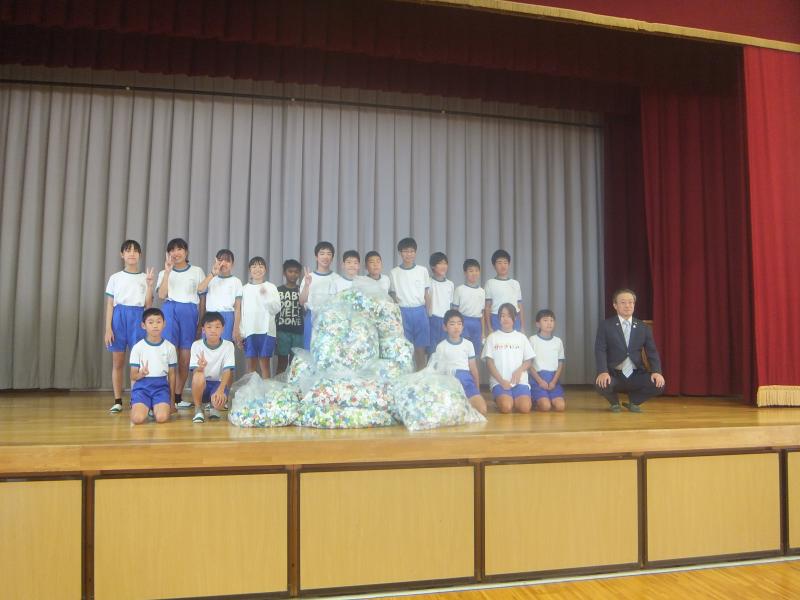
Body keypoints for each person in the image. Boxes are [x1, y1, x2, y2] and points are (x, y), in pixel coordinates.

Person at [104, 239, 155, 413]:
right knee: (118, 362)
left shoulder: (144, 277)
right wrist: (108, 328)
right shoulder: (115, 278)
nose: (131, 253)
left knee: (138, 363)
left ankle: (137, 398)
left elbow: (148, 305)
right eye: (128, 250)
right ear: (122, 254)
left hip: (138, 318)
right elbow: (110, 304)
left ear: (140, 254)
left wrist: (149, 285)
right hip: (119, 318)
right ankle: (118, 400)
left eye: (135, 250)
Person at [594, 288, 665, 412]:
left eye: (631, 302)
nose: (627, 305)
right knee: (601, 383)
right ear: (615, 305)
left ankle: (633, 402)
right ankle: (614, 403)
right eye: (623, 302)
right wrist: (603, 371)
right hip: (614, 373)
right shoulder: (606, 326)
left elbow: (652, 352)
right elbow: (600, 350)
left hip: (636, 374)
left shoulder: (643, 327)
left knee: (659, 385)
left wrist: (657, 371)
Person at [156, 238, 205, 409]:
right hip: (170, 310)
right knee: (170, 356)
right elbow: (161, 295)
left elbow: (202, 298)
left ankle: (177, 397)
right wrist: (167, 272)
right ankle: (167, 397)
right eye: (172, 250)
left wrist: (201, 322)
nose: (176, 253)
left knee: (185, 357)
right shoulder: (164, 273)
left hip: (189, 312)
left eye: (179, 249)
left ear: (186, 252)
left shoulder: (197, 271)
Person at [431, 309, 487, 415]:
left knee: (482, 409)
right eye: (452, 324)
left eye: (459, 324)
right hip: (449, 382)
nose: (456, 327)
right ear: (445, 327)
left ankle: (464, 402)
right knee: (448, 412)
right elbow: (438, 372)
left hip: (467, 381)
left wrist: (477, 390)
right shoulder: (441, 346)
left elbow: (473, 369)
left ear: (462, 327)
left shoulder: (468, 344)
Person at [483, 303, 535, 414]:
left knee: (525, 408)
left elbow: (529, 361)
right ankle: (503, 399)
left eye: (509, 316)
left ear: (515, 318)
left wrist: (519, 370)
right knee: (506, 407)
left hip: (520, 382)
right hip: (499, 382)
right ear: (498, 318)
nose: (505, 319)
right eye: (502, 316)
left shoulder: (521, 337)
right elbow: (489, 363)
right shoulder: (492, 337)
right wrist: (501, 381)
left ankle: (515, 399)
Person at [128, 308, 177, 425]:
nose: (155, 325)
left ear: (164, 324)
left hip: (161, 388)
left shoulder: (170, 347)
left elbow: (172, 375)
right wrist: (141, 374)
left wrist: (172, 400)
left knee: (162, 418)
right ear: (143, 325)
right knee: (137, 419)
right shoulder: (138, 347)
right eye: (151, 322)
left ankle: (155, 407)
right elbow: (133, 376)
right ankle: (141, 405)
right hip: (142, 388)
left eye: (158, 322)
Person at [389, 237, 431, 370]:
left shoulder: (422, 270)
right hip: (403, 312)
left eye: (412, 251)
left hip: (420, 312)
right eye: (405, 251)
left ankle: (421, 377)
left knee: (420, 350)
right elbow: (393, 296)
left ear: (416, 252)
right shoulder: (394, 272)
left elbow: (426, 294)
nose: (409, 254)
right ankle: (407, 378)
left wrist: (428, 314)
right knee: (405, 349)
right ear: (400, 253)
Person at [189, 312, 236, 423]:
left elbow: (227, 370)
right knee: (199, 376)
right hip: (203, 385)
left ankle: (213, 407)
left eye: (217, 327)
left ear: (223, 329)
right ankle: (198, 409)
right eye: (209, 327)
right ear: (203, 329)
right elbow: (195, 373)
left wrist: (221, 390)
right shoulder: (196, 345)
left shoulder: (228, 345)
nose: (213, 330)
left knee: (218, 402)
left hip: (217, 384)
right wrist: (200, 368)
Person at [240, 256, 282, 378]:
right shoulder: (244, 289)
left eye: (260, 266)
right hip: (249, 331)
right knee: (251, 366)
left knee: (265, 365)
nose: (257, 269)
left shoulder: (271, 287)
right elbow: (241, 312)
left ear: (265, 269)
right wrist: (241, 332)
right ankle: (250, 390)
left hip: (267, 331)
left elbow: (276, 309)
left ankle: (266, 389)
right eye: (254, 267)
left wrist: (265, 296)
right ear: (249, 270)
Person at [299, 241, 340, 349]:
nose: (325, 257)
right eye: (322, 253)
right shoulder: (308, 277)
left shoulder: (337, 278)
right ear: (316, 257)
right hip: (311, 317)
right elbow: (302, 301)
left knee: (329, 351)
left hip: (331, 319)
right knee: (310, 350)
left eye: (329, 254)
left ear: (332, 258)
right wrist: (307, 285)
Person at [197, 249, 242, 344]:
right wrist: (213, 274)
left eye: (227, 261)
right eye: (220, 260)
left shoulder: (236, 281)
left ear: (232, 264)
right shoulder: (211, 278)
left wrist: (236, 328)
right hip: (210, 316)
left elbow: (238, 308)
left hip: (227, 317)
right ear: (216, 261)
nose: (223, 263)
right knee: (208, 347)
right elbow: (200, 289)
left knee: (225, 346)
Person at [529, 309, 566, 412]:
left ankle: (551, 398)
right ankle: (535, 400)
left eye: (551, 320)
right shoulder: (532, 340)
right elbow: (529, 364)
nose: (549, 323)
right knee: (545, 406)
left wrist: (554, 382)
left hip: (553, 379)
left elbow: (560, 364)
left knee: (560, 407)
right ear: (538, 324)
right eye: (545, 320)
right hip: (537, 379)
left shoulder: (558, 341)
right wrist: (540, 381)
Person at [484, 249, 524, 334]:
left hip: (514, 318)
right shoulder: (490, 283)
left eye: (505, 263)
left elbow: (520, 306)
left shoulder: (515, 283)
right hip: (497, 318)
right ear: (494, 265)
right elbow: (487, 307)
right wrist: (489, 327)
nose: (503, 266)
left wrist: (522, 326)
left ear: (509, 264)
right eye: (499, 263)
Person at [452, 258, 485, 357]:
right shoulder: (459, 289)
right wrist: (455, 327)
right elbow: (454, 311)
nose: (474, 273)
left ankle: (475, 368)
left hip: (477, 324)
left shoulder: (482, 291)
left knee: (476, 353)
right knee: (462, 351)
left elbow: (482, 314)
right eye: (471, 271)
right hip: (463, 322)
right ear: (465, 273)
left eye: (476, 271)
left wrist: (483, 332)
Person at [276, 259, 304, 374]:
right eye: (290, 271)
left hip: (298, 331)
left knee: (295, 364)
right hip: (281, 331)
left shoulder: (302, 290)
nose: (293, 274)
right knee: (281, 363)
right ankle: (278, 385)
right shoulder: (278, 290)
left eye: (296, 272)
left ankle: (293, 385)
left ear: (299, 274)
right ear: (284, 273)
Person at [428, 252, 454, 354]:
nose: (443, 266)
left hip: (446, 321)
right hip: (432, 319)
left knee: (445, 350)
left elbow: (450, 304)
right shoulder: (428, 282)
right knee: (432, 351)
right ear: (433, 266)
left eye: (445, 263)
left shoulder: (450, 284)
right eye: (440, 263)